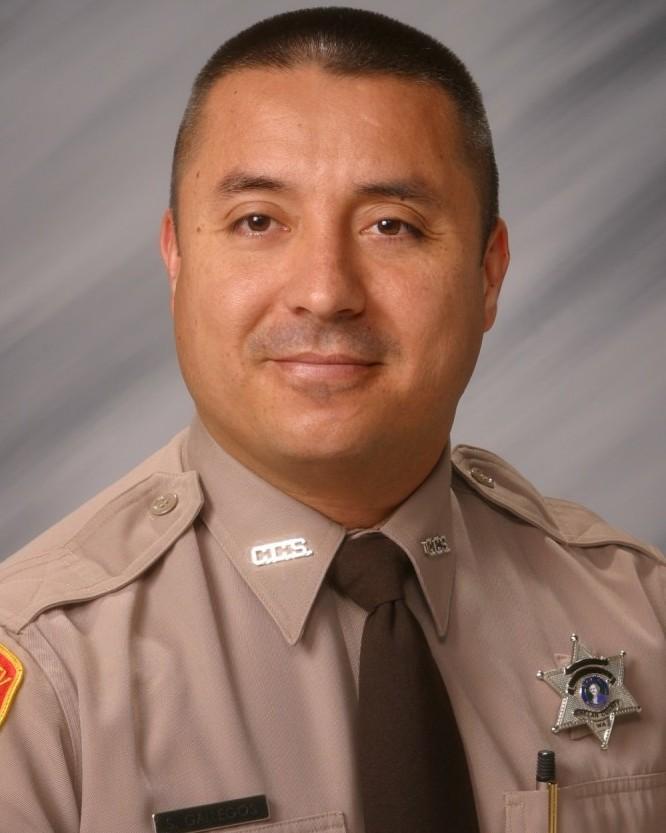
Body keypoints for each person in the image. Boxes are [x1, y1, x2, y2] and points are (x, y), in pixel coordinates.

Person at [0, 7, 664, 833]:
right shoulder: (47, 674)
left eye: (392, 226)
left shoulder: (639, 613)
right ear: (177, 258)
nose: (324, 290)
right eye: (258, 221)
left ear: (489, 275)